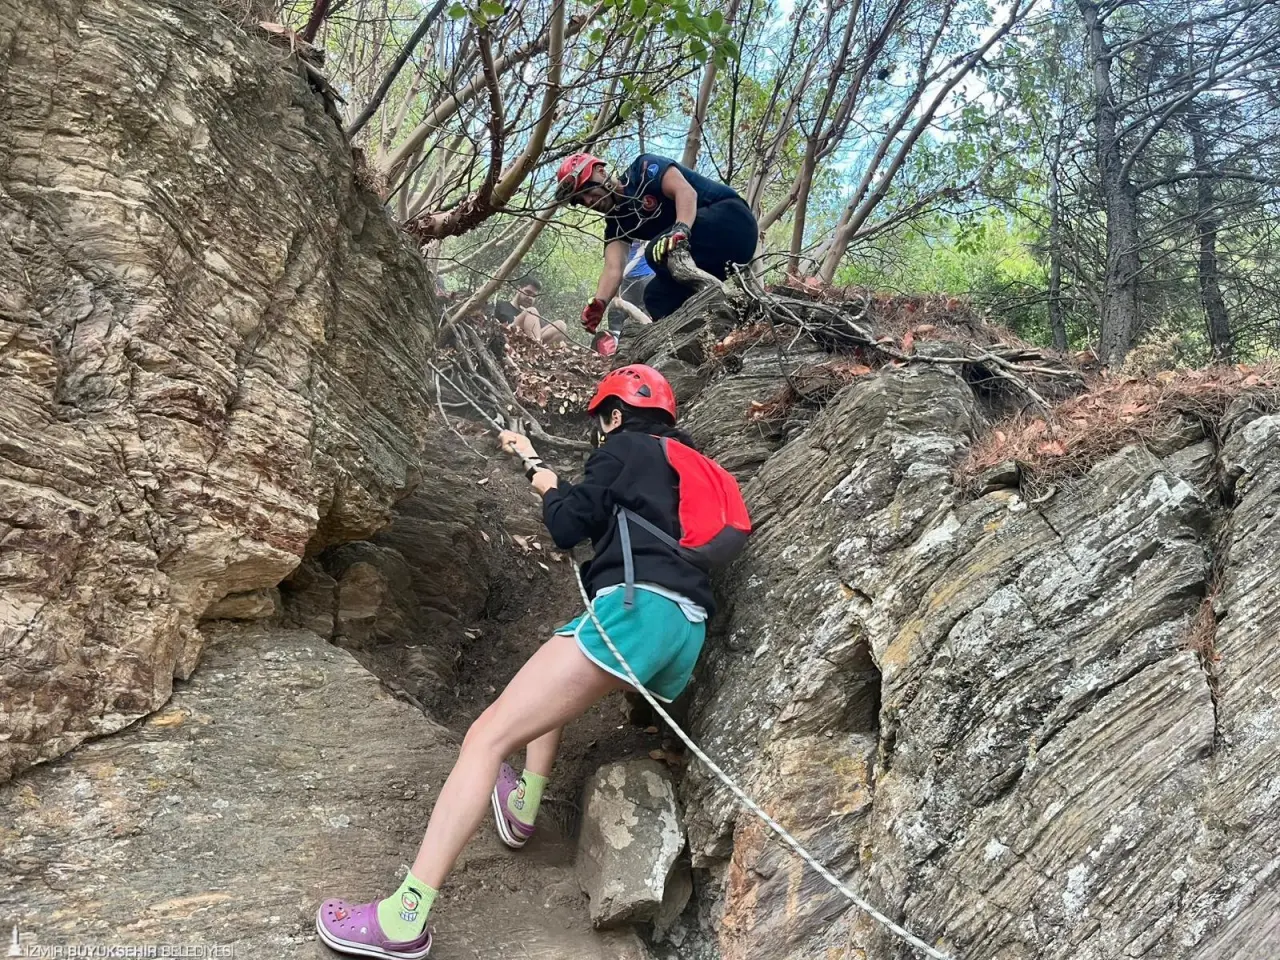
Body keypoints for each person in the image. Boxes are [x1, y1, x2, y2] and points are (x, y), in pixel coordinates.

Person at [315, 366, 718, 960]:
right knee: (552, 676)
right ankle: (523, 806)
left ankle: (405, 916)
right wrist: (540, 466)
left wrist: (541, 477)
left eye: (600, 423)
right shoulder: (694, 466)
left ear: (612, 415)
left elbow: (565, 525)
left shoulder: (624, 448)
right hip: (684, 630)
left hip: (634, 613)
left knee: (483, 739)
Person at [555, 153, 758, 329]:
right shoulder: (616, 223)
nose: (589, 202)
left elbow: (685, 192)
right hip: (717, 260)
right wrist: (599, 304)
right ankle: (708, 337)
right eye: (581, 201)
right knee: (656, 298)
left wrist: (681, 228)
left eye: (587, 191)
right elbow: (613, 268)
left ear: (600, 172)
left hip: (734, 221)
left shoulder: (644, 170)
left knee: (657, 250)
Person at [494, 278, 569, 346]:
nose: (530, 298)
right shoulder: (500, 306)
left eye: (534, 296)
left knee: (561, 325)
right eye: (528, 292)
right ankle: (535, 347)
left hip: (528, 346)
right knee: (531, 311)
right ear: (518, 289)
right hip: (508, 341)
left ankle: (535, 348)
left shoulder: (535, 318)